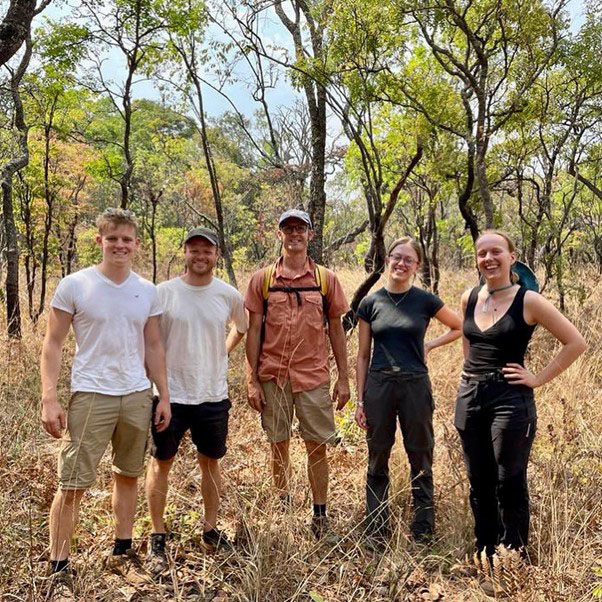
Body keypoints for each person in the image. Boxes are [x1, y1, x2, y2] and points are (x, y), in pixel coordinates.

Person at [40, 208, 171, 592]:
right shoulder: (75, 285)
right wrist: (49, 396)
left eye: (127, 239)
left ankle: (122, 550)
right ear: (99, 241)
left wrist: (163, 395)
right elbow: (53, 343)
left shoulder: (146, 290)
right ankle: (59, 566)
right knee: (73, 482)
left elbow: (153, 345)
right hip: (91, 393)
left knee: (128, 474)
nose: (120, 245)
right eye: (112, 238)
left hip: (135, 393)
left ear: (136, 244)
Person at [455, 230, 586, 560]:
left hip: (511, 400)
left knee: (508, 480)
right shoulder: (469, 297)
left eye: (496, 251)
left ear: (512, 257)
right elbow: (468, 340)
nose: (489, 258)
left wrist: (537, 378)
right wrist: (468, 372)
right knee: (478, 480)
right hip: (469, 397)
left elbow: (576, 343)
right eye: (482, 253)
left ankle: (513, 553)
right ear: (476, 259)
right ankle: (485, 549)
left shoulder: (528, 300)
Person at [145, 227, 247, 570]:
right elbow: (152, 340)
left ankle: (211, 528)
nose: (200, 256)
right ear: (185, 252)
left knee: (211, 462)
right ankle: (157, 536)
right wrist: (159, 388)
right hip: (169, 395)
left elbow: (242, 327)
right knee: (162, 463)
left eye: (207, 250)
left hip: (212, 394)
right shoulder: (163, 293)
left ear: (216, 254)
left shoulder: (228, 294)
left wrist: (223, 350)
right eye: (194, 250)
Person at [245, 209, 350, 537]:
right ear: (280, 234)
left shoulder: (324, 279)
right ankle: (283, 504)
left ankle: (320, 514)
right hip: (273, 376)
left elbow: (336, 329)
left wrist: (344, 378)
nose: (294, 234)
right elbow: (252, 333)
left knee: (317, 445)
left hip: (313, 376)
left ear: (310, 234)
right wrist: (251, 379)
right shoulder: (262, 280)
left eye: (300, 229)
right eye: (288, 229)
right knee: (279, 443)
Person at [355, 237, 462, 543]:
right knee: (377, 456)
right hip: (379, 384)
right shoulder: (370, 303)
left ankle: (423, 529)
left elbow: (459, 326)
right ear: (387, 260)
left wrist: (429, 343)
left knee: (421, 455)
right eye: (396, 257)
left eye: (408, 260)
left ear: (417, 266)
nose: (401, 264)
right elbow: (363, 355)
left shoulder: (425, 300)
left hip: (415, 384)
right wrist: (360, 400)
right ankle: (376, 529)